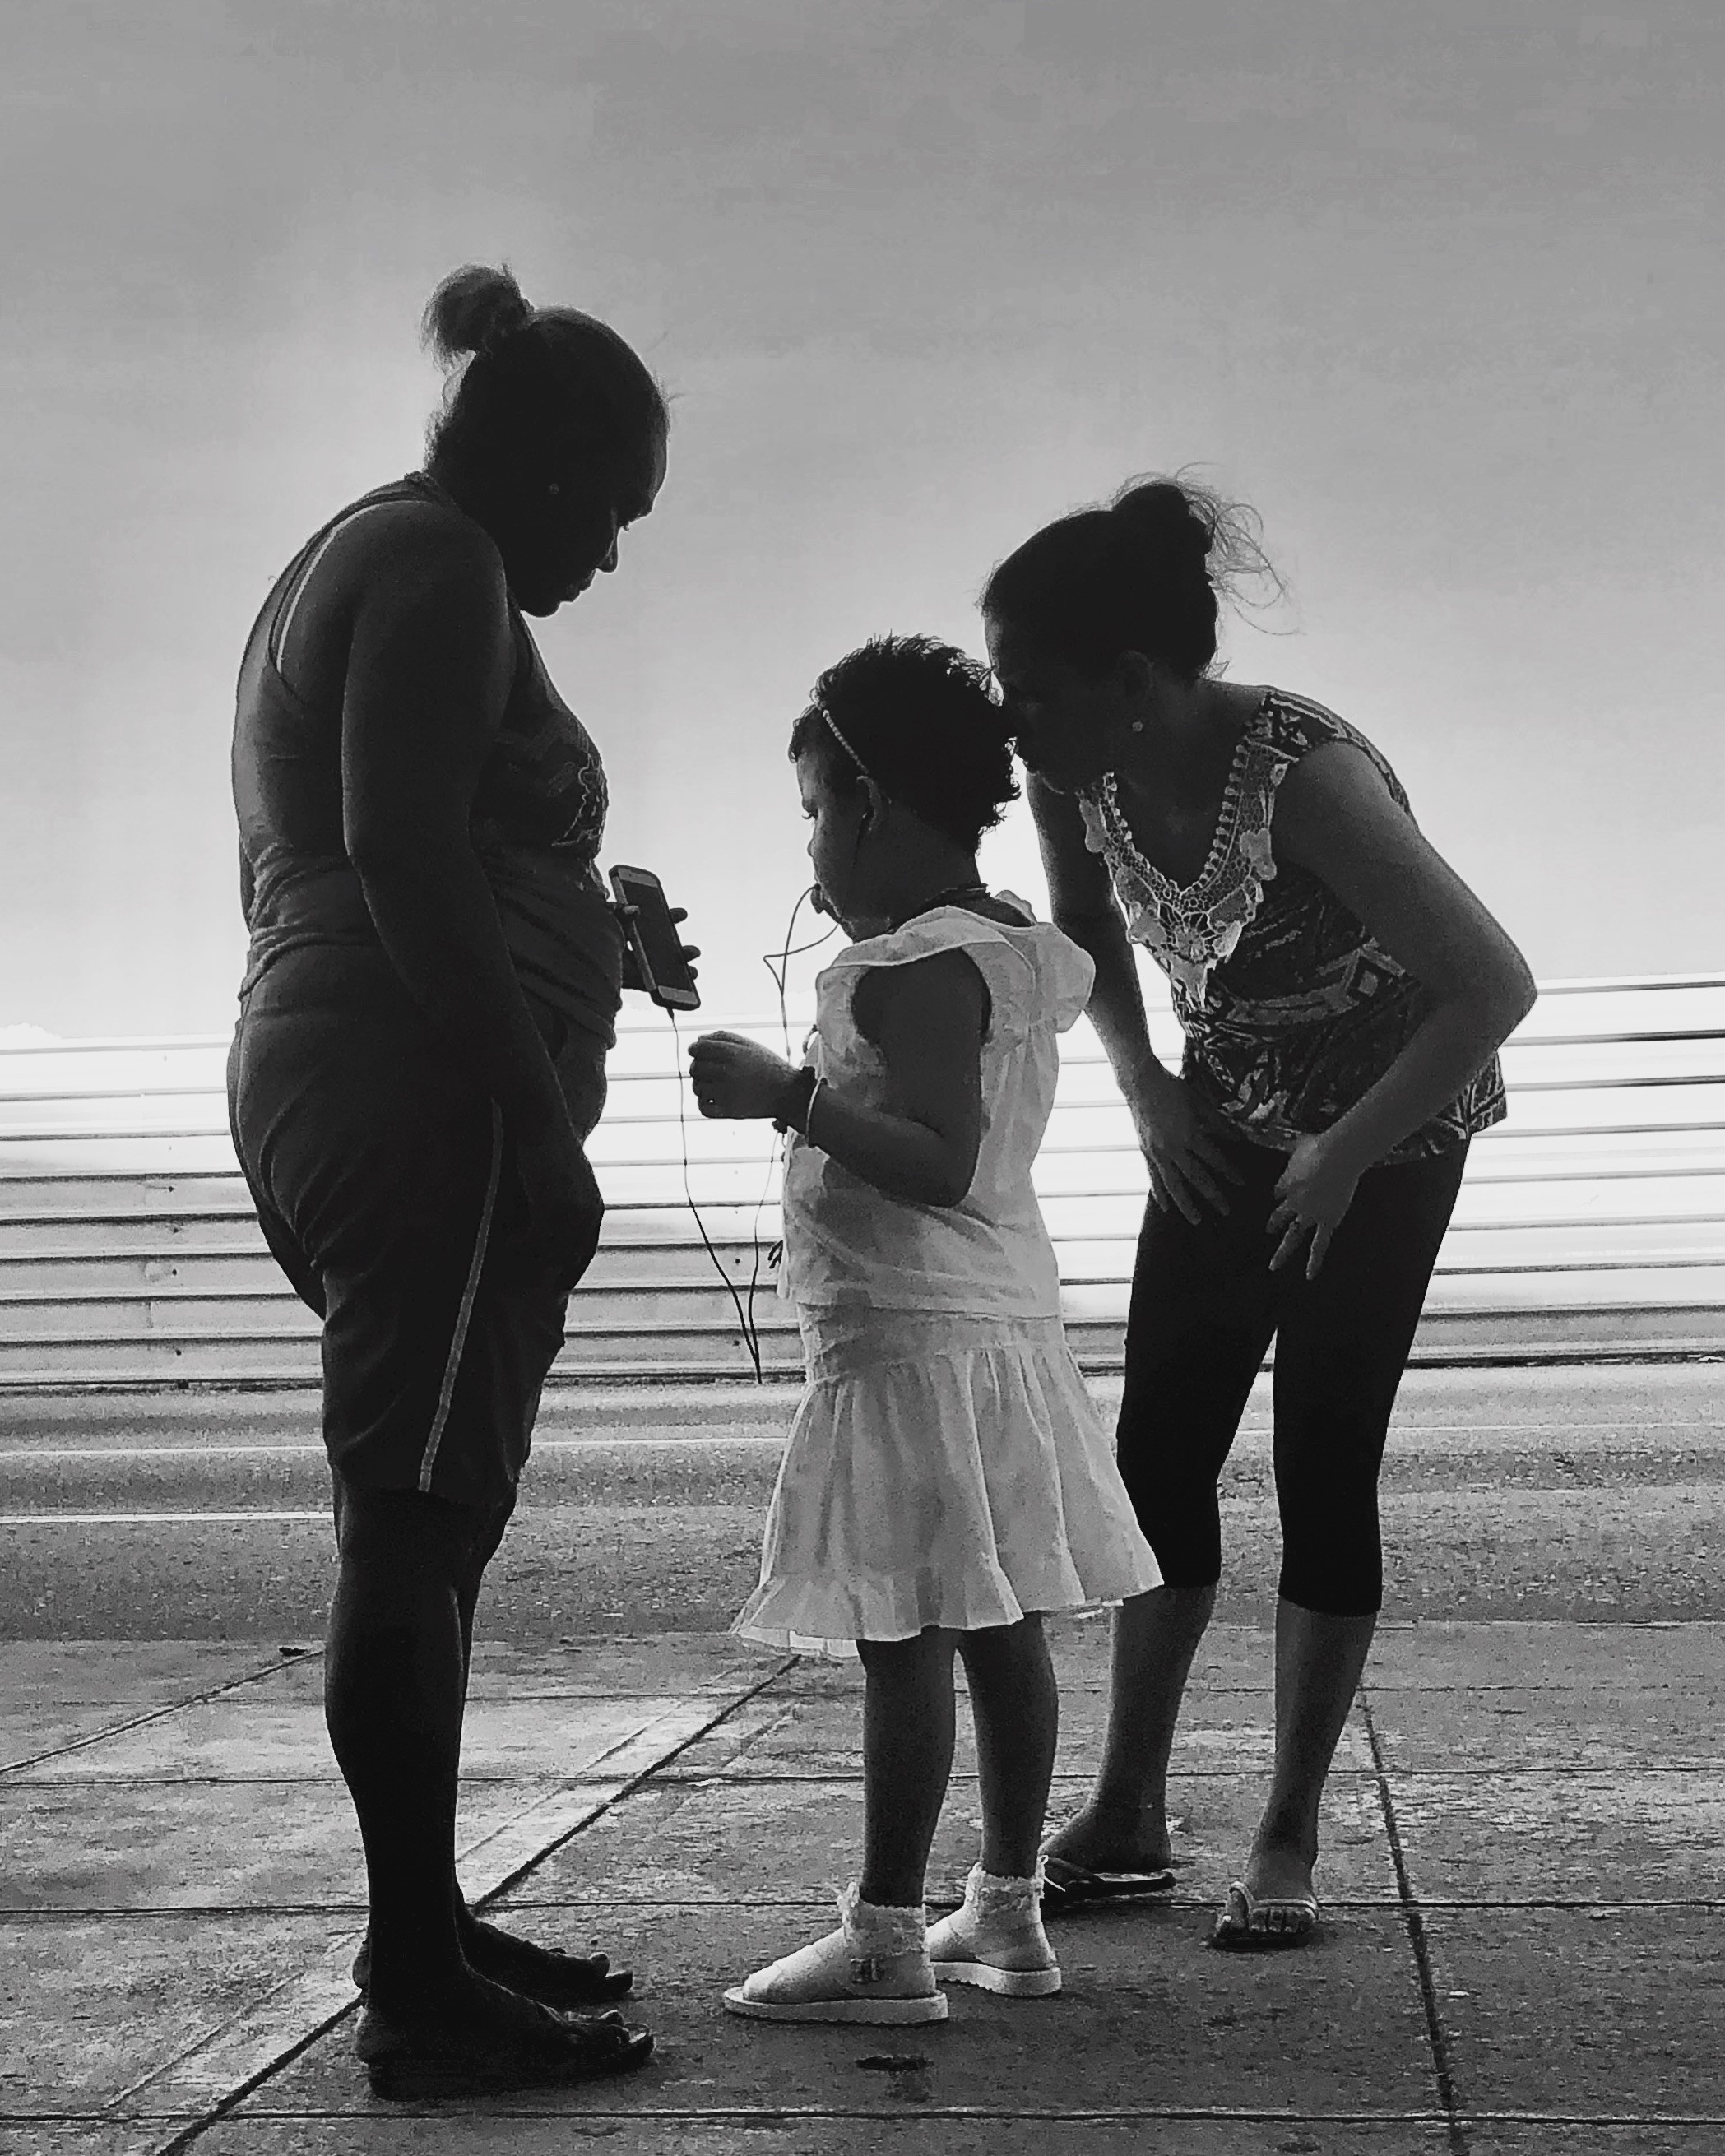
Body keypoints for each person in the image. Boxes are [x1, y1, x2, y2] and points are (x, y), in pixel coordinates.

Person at [227, 264, 679, 2095]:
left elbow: (444, 830)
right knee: (408, 1525)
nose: (614, 561)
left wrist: (593, 915)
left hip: (363, 1071)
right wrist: (539, 1117)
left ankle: (425, 1913)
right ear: (550, 467)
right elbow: (402, 853)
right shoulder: (440, 563)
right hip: (425, 1097)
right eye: (614, 514)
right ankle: (414, 1978)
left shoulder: (388, 552)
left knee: (424, 1511)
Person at [981, 475, 1537, 1949]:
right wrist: (1147, 1092)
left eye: (1025, 688)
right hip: (1221, 1120)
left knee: (1320, 1458)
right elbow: (1089, 933)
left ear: (1132, 680)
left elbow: (1491, 986)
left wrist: (1347, 1152)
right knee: (1154, 1448)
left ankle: (1286, 1834)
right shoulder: (1072, 770)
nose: (1007, 719)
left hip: (1390, 1130)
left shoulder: (1304, 775)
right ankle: (1128, 1811)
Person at [689, 635, 1162, 2022]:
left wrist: (789, 1093)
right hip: (995, 1330)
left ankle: (883, 1938)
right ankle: (1002, 1914)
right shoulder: (1005, 943)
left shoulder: (913, 969)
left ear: (874, 804)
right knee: (1000, 1623)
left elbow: (938, 1155)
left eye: (815, 813)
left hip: (913, 1342)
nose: (815, 850)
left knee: (902, 1637)